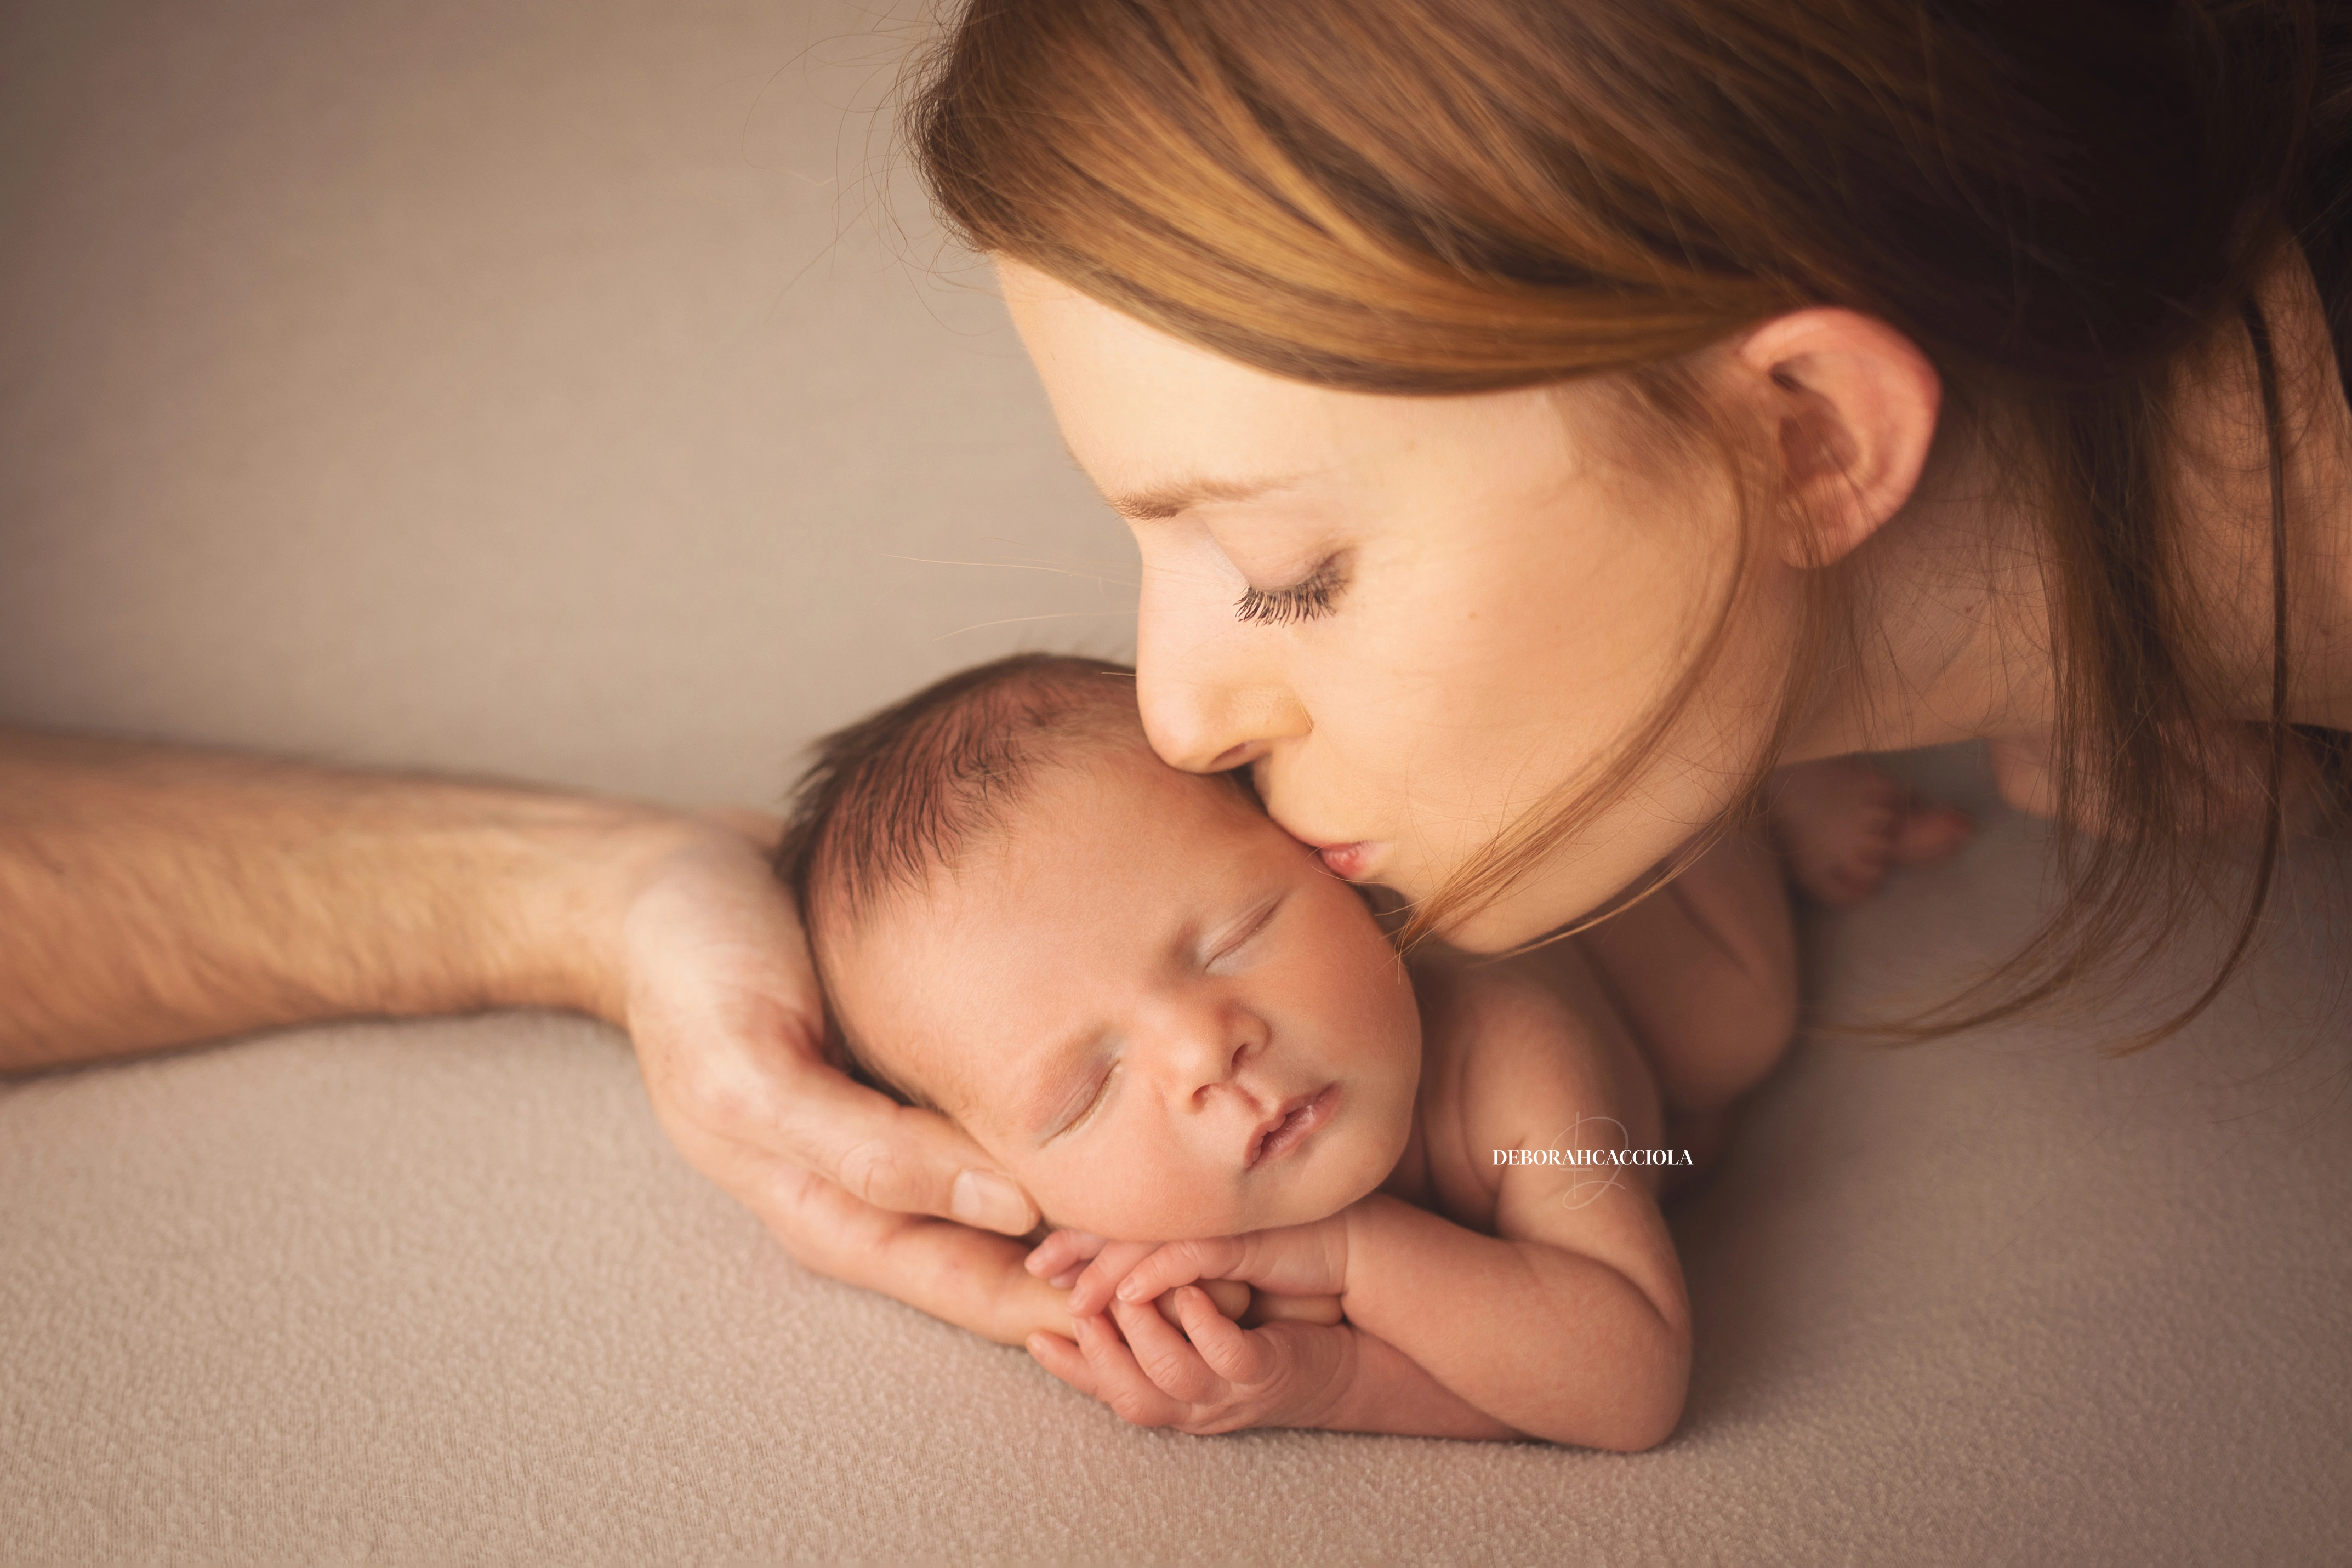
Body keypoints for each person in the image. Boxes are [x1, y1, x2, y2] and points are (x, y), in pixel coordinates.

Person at [4, 0, 2346, 1345]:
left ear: (1809, 429)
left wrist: (1365, 1274)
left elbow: (1618, 1334)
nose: (1181, 719)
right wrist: (621, 898)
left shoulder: (1530, 1063)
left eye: (1288, 567)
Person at [776, 651, 1810, 1445]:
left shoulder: (1510, 1055)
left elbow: (1625, 1385)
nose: (1202, 1053)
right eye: (1085, 1092)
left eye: (1234, 939)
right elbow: (1509, 1385)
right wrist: (1320, 1382)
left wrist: (1355, 1258)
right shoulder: (1148, 1234)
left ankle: (1757, 760)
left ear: (1330, 863)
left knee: (1729, 1031)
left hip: (1607, 952)